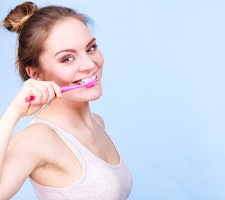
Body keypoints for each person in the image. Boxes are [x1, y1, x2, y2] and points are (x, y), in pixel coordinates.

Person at [0, 2, 132, 199]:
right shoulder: (35, 140)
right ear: (34, 74)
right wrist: (13, 112)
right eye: (67, 59)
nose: (89, 65)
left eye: (91, 48)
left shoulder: (98, 122)